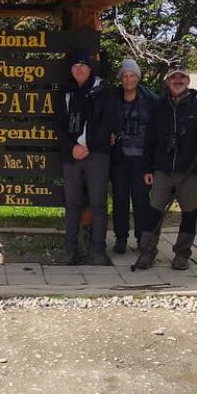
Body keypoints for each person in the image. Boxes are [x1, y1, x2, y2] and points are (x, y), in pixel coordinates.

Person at [132, 65, 197, 271]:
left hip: (190, 171)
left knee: (189, 214)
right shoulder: (158, 108)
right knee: (154, 213)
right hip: (162, 169)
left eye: (182, 77)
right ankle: (147, 252)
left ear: (188, 80)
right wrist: (147, 169)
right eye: (173, 78)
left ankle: (182, 254)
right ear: (167, 81)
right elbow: (149, 141)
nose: (178, 81)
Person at [53, 50, 117, 265]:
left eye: (83, 65)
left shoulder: (104, 91)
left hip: (97, 154)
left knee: (98, 204)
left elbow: (108, 123)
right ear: (71, 70)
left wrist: (87, 146)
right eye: (75, 66)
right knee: (72, 204)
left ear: (90, 68)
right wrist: (72, 147)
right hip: (71, 155)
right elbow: (58, 125)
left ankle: (98, 250)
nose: (79, 69)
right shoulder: (64, 93)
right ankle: (70, 250)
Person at [110, 58, 157, 254]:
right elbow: (104, 120)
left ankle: (141, 239)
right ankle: (121, 238)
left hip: (142, 159)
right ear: (121, 78)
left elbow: (157, 130)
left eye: (132, 76)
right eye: (125, 76)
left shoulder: (150, 99)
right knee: (120, 199)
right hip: (120, 157)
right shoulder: (112, 98)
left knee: (141, 201)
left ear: (138, 77)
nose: (129, 79)